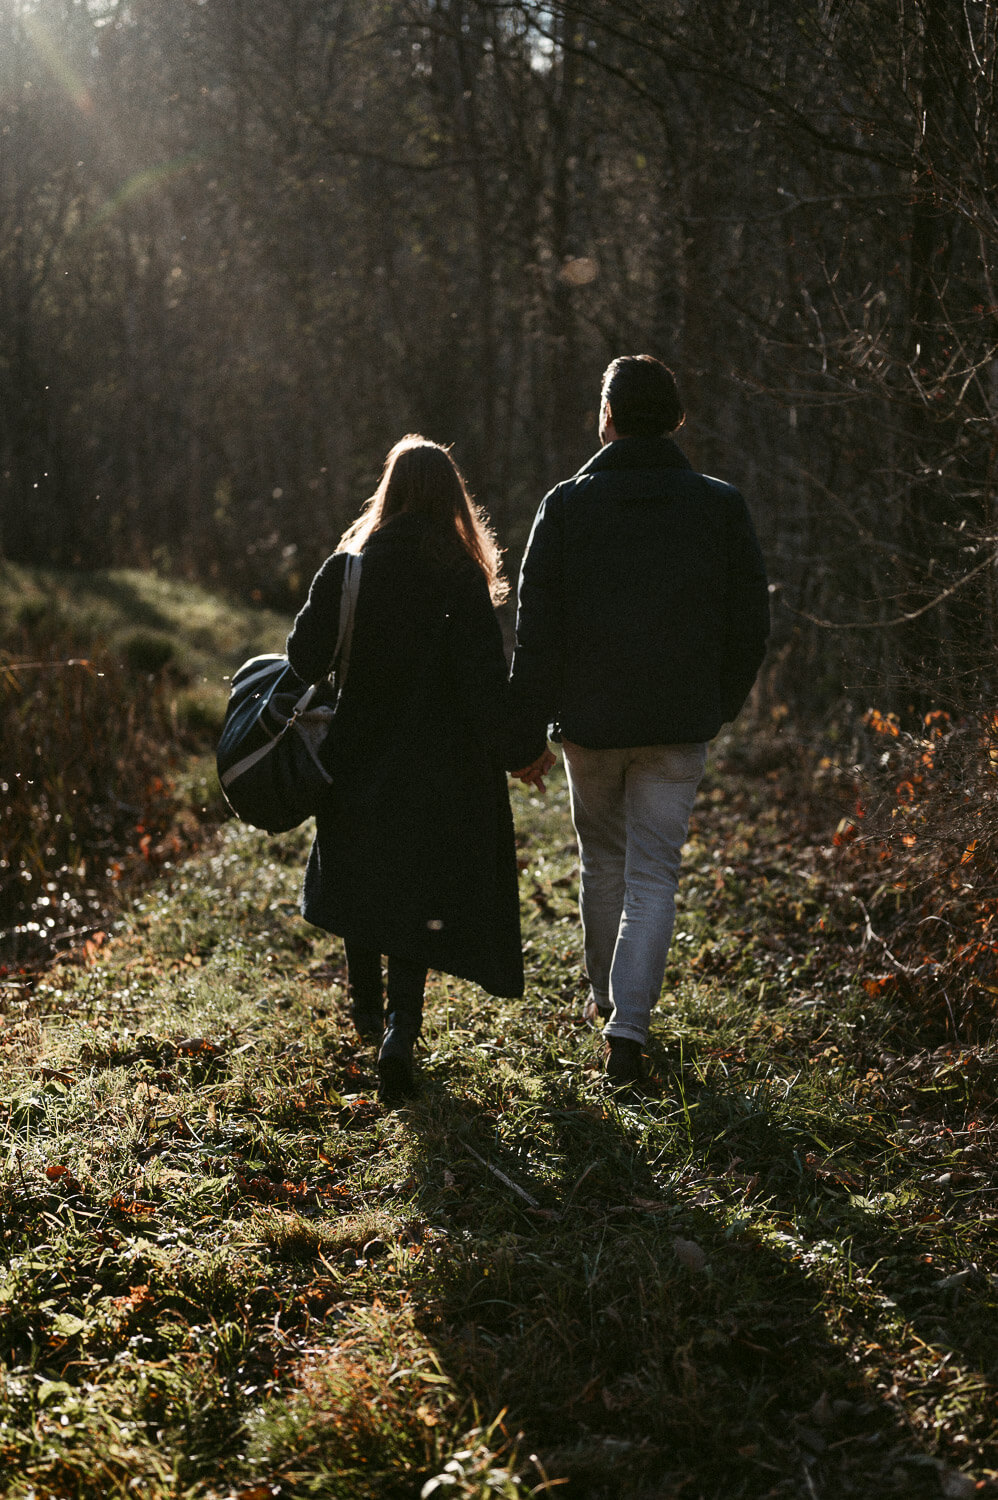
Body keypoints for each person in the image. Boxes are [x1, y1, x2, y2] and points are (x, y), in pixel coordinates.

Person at [508, 355, 770, 1086]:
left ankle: (606, 1003)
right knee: (655, 872)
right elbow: (752, 619)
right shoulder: (718, 505)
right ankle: (628, 1029)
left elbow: (539, 635)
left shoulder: (565, 506)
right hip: (679, 721)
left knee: (605, 862)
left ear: (608, 418)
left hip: (590, 725)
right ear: (677, 419)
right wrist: (720, 701)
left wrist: (525, 731)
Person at [286, 435, 523, 1102]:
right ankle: (400, 1030)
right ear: (451, 499)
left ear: (388, 492)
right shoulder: (459, 578)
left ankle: (364, 1004)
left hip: (354, 754)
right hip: (436, 767)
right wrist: (513, 747)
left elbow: (302, 662)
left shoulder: (348, 569)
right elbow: (483, 682)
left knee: (363, 878)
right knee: (414, 897)